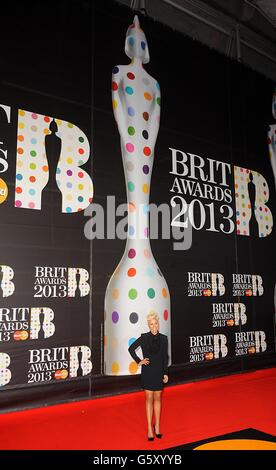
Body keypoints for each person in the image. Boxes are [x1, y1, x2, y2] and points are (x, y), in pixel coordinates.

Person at [128, 312, 169, 441]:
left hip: (158, 372)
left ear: (158, 323)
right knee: (148, 398)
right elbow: (131, 348)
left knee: (158, 397)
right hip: (148, 372)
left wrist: (165, 372)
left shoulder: (164, 338)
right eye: (151, 324)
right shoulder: (144, 337)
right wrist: (139, 361)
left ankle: (157, 426)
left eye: (155, 323)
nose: (154, 326)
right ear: (148, 325)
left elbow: (164, 357)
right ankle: (149, 429)